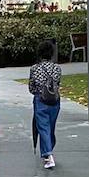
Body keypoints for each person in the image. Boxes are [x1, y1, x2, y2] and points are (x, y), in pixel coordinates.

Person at [28, 40, 62, 170]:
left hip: (40, 100)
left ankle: (48, 154)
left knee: (43, 127)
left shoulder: (35, 69)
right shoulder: (57, 68)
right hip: (54, 101)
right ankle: (48, 151)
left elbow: (31, 87)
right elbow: (57, 84)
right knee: (50, 127)